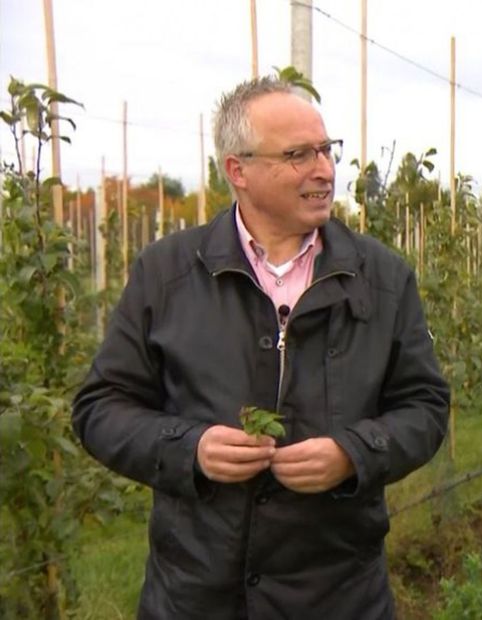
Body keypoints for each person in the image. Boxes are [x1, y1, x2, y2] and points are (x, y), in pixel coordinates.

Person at [72, 77, 449, 619]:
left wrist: (353, 454)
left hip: (338, 596)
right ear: (238, 171)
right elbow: (100, 407)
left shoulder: (382, 279)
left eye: (325, 150)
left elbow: (426, 407)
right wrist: (190, 447)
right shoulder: (167, 274)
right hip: (196, 597)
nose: (323, 170)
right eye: (297, 155)